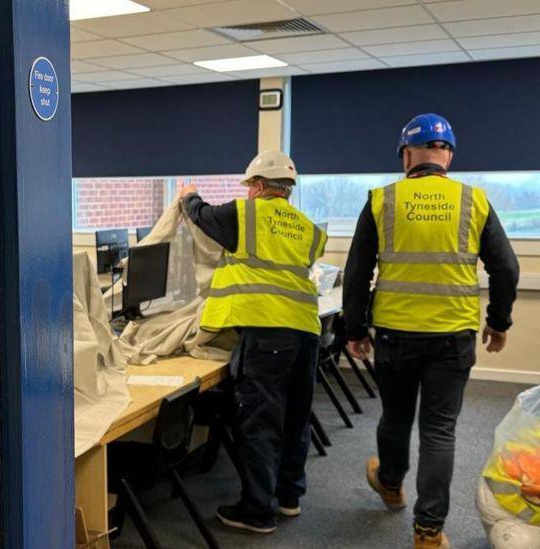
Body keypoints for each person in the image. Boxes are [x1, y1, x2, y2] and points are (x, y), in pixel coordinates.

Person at [343, 113, 520, 549]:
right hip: (452, 338)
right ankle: (428, 532)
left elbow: (356, 272)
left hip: (395, 334)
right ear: (449, 156)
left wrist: (354, 328)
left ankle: (389, 483)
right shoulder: (473, 200)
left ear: (406, 155)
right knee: (439, 431)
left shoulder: (383, 199)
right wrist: (498, 323)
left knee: (396, 416)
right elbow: (507, 268)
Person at [180, 150, 327, 534]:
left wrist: (188, 195)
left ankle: (258, 509)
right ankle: (289, 497)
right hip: (306, 329)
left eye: (249, 187)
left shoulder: (245, 215)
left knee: (259, 420)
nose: (246, 193)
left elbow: (201, 216)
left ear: (259, 187)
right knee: (296, 416)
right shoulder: (309, 228)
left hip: (266, 334)